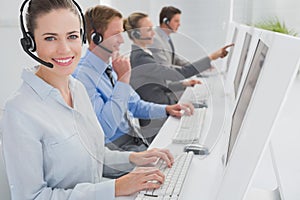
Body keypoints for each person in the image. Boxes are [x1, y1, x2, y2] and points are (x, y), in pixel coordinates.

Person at [1, 0, 175, 199]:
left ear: (82, 37)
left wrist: (134, 158)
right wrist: (115, 188)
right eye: (50, 38)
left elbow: (92, 154)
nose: (65, 49)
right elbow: (30, 197)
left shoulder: (77, 89)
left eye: (72, 36)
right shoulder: (20, 110)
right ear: (30, 43)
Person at [72, 5, 193, 150]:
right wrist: (123, 80)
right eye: (116, 34)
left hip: (134, 139)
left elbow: (135, 105)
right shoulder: (82, 76)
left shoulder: (112, 68)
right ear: (95, 37)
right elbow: (106, 128)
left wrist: (166, 109)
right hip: (113, 149)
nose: (122, 41)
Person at [124, 12, 209, 106]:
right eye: (149, 30)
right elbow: (179, 73)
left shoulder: (145, 54)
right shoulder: (141, 59)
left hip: (162, 105)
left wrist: (184, 84)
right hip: (157, 113)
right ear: (136, 34)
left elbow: (158, 84)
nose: (153, 33)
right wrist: (211, 58)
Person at [150, 6, 234, 71]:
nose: (179, 24)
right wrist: (207, 60)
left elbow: (176, 60)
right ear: (166, 21)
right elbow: (166, 70)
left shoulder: (165, 37)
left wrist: (201, 67)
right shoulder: (155, 40)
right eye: (176, 21)